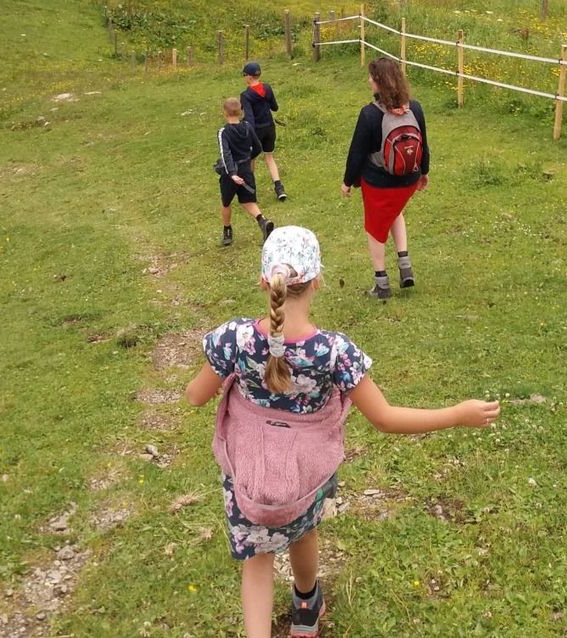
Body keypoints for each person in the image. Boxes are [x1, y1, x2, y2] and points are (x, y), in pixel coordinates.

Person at [185, 226, 501, 638]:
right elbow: (385, 418)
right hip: (306, 470)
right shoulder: (335, 352)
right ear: (318, 280)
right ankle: (305, 603)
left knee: (257, 562)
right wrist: (456, 414)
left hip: (249, 473)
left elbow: (195, 396)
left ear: (264, 281)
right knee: (304, 528)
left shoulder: (235, 338)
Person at [341, 57, 430, 300]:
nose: (369, 80)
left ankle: (381, 283)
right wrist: (424, 172)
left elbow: (357, 152)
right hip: (408, 181)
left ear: (380, 82)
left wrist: (347, 182)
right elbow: (424, 143)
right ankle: (405, 265)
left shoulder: (369, 114)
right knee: (396, 213)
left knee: (375, 228)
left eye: (372, 76)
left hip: (379, 184)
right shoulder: (415, 107)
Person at [216, 97, 275, 246]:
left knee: (226, 202)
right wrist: (248, 159)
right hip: (246, 169)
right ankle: (263, 221)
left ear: (225, 113)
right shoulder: (248, 127)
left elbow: (226, 154)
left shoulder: (224, 132)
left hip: (231, 174)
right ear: (241, 111)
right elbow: (257, 147)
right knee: (248, 200)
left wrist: (232, 174)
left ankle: (227, 231)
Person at [241, 61, 287, 201]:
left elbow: (249, 119)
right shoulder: (267, 88)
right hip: (270, 128)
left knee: (251, 159)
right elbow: (275, 108)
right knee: (269, 157)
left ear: (248, 77)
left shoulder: (246, 95)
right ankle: (279, 188)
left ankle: (250, 190)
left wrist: (248, 134)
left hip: (256, 131)